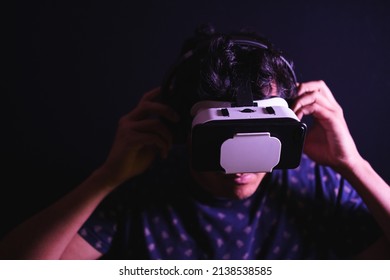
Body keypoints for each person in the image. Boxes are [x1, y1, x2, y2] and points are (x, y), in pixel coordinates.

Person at [0, 24, 389, 260]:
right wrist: (106, 177)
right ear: (183, 126)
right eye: (220, 138)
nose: (240, 168)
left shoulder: (315, 185)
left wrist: (352, 164)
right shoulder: (142, 190)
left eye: (259, 136)